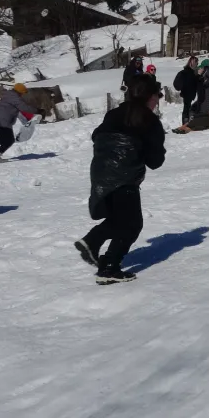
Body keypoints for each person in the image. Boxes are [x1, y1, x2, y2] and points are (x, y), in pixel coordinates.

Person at [75, 74, 166, 285]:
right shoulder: (149, 120)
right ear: (149, 96)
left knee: (121, 220)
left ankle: (101, 254)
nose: (158, 100)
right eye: (157, 96)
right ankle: (106, 264)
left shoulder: (114, 113)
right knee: (132, 224)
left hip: (101, 173)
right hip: (125, 176)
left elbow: (97, 136)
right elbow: (155, 161)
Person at [0, 83, 39, 163]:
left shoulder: (8, 95)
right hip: (3, 120)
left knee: (5, 139)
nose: (23, 95)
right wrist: (37, 110)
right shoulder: (14, 98)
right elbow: (24, 107)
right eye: (23, 93)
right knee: (9, 140)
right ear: (20, 92)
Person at [173, 59, 209, 133]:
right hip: (203, 98)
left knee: (198, 114)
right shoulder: (205, 73)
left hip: (203, 98)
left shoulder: (204, 74)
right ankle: (184, 127)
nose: (200, 69)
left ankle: (184, 127)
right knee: (197, 113)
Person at [172, 55, 200, 126]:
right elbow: (178, 83)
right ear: (191, 62)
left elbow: (195, 82)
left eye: (197, 63)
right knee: (186, 108)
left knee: (188, 108)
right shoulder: (186, 72)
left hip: (190, 93)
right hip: (187, 93)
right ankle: (185, 123)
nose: (196, 64)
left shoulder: (193, 72)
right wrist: (182, 88)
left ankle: (186, 122)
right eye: (195, 62)